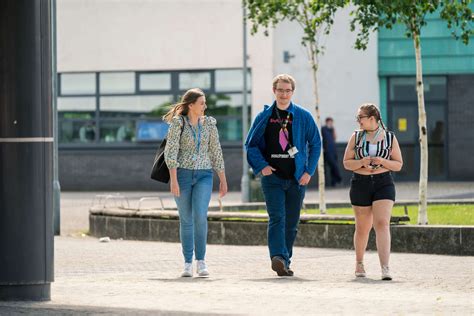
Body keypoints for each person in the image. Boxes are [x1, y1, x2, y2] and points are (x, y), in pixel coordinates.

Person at [245, 74, 321, 277]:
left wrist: (308, 171)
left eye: (287, 90)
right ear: (274, 91)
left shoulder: (303, 116)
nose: (284, 94)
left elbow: (316, 143)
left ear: (292, 92)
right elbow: (250, 145)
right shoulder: (265, 117)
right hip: (273, 179)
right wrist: (262, 166)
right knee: (277, 217)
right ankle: (278, 257)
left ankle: (285, 261)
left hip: (297, 178)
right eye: (280, 90)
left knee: (292, 223)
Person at [163, 88, 227, 278]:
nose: (205, 106)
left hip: (204, 175)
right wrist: (173, 180)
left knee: (200, 216)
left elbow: (216, 151)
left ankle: (201, 261)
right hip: (182, 175)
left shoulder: (209, 124)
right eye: (202, 103)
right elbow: (171, 152)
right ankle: (187, 263)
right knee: (186, 219)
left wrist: (222, 179)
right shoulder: (178, 124)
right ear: (191, 105)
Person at [342, 103, 403, 281]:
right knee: (362, 227)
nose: (358, 121)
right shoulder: (356, 136)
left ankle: (385, 267)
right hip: (360, 183)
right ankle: (359, 263)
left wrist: (382, 161)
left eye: (360, 117)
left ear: (372, 118)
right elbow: (346, 163)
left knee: (382, 223)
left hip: (383, 182)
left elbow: (398, 164)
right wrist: (362, 162)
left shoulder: (390, 137)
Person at [321, 117, 342, 187]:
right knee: (333, 165)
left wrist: (334, 129)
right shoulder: (323, 129)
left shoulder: (332, 129)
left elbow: (335, 138)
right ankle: (339, 179)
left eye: (331, 122)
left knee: (334, 167)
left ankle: (334, 182)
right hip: (327, 151)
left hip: (334, 150)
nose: (330, 123)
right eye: (329, 122)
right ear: (327, 122)